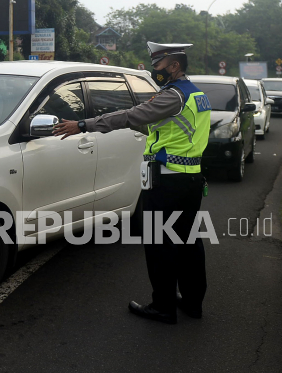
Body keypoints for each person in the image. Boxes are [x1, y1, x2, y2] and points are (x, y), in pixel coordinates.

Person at [53, 42, 211, 325]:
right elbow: (152, 125)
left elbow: (131, 115)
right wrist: (132, 121)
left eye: (159, 65)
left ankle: (163, 307)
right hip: (191, 179)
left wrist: (84, 125)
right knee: (188, 241)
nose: (155, 70)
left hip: (166, 181)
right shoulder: (195, 95)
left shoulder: (173, 96)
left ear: (174, 66)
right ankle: (192, 302)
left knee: (160, 243)